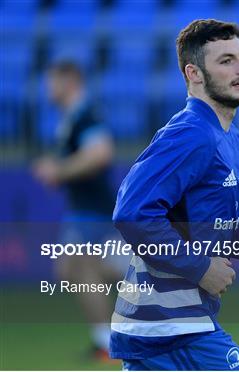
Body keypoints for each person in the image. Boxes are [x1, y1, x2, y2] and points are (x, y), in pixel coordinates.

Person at [110, 19, 239, 370]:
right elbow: (132, 214)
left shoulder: (230, 137)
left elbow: (208, 232)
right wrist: (200, 268)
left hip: (172, 326)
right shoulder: (190, 134)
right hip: (171, 327)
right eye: (226, 60)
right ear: (194, 73)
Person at [33, 60, 119, 362]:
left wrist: (59, 170)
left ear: (68, 81)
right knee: (70, 270)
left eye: (51, 81)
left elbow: (100, 153)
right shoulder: (72, 117)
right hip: (84, 207)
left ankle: (107, 342)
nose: (47, 88)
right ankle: (146, 280)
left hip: (92, 209)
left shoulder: (84, 114)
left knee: (77, 268)